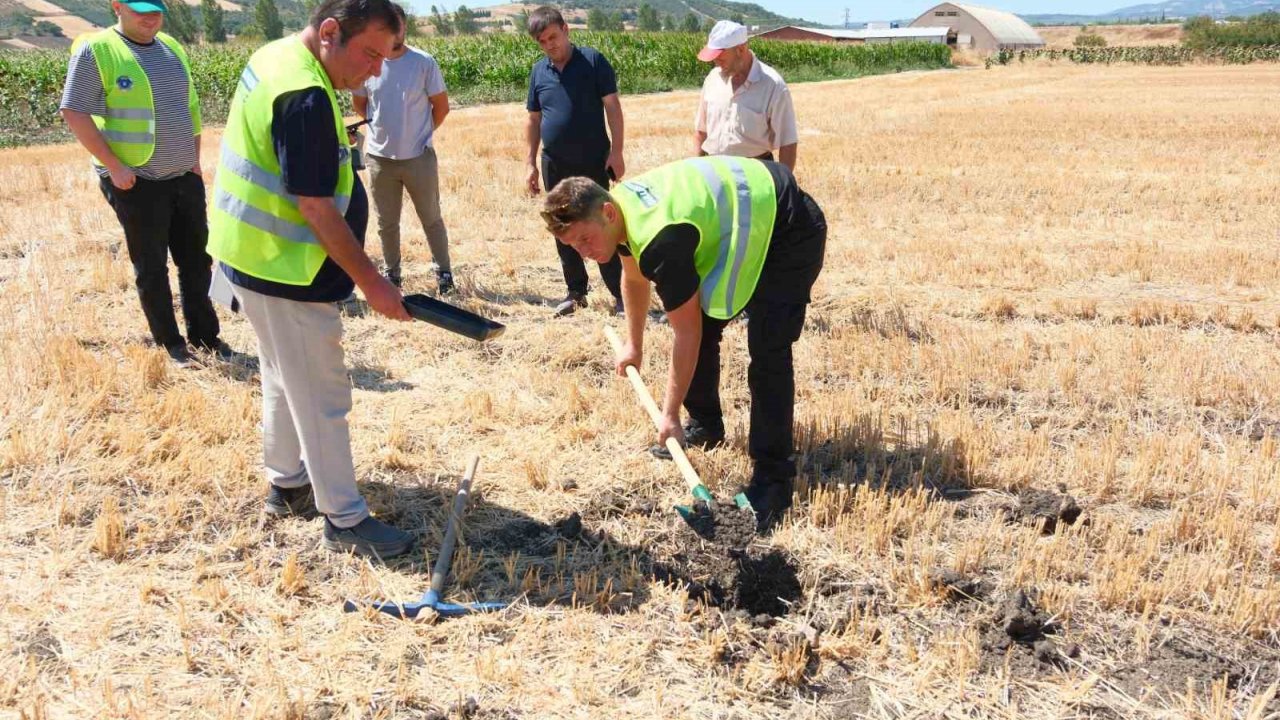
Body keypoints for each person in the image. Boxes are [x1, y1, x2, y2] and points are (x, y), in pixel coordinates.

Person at [206, 0, 415, 559]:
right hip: (284, 267)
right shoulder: (304, 96)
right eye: (371, 53)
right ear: (329, 32)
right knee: (322, 394)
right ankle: (344, 519)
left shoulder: (275, 56)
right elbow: (315, 207)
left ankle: (288, 482)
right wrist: (373, 281)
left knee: (281, 373)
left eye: (385, 58)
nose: (375, 70)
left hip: (248, 255)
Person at [541, 156, 826, 532]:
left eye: (584, 240)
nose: (584, 253)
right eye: (573, 246)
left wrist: (669, 414)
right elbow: (633, 276)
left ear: (606, 213)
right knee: (704, 322)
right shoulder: (621, 209)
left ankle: (773, 481)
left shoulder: (661, 239)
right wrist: (634, 345)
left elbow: (685, 334)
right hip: (752, 209)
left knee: (768, 350)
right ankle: (707, 423)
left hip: (789, 228)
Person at [60, 0, 225, 368]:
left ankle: (206, 337)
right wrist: (114, 167)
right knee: (152, 267)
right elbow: (73, 110)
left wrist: (194, 158)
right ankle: (172, 345)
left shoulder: (172, 47)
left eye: (156, 9)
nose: (150, 17)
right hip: (137, 180)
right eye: (140, 9)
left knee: (197, 260)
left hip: (184, 176)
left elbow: (190, 106)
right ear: (117, 6)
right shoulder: (97, 50)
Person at [524, 5, 626, 317]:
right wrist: (529, 162)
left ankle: (620, 294)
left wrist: (617, 151)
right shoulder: (539, 72)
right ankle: (576, 291)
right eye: (542, 42)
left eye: (552, 37)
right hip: (554, 163)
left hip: (593, 163)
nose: (549, 45)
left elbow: (613, 108)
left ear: (566, 29)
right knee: (560, 225)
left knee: (601, 223)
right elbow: (533, 119)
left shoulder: (593, 61)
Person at [352, 3, 455, 295]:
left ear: (404, 28)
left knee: (431, 218)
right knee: (387, 223)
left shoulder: (424, 63)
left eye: (396, 26)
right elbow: (360, 103)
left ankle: (444, 273)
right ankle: (392, 274)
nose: (392, 33)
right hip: (379, 159)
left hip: (418, 157)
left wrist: (421, 134)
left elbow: (441, 107)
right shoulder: (370, 64)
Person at [693, 20, 799, 171]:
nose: (716, 63)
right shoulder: (712, 79)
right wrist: (696, 172)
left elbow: (787, 143)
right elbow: (701, 131)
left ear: (740, 49)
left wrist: (784, 185)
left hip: (755, 175)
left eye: (721, 58)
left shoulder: (773, 86)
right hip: (714, 171)